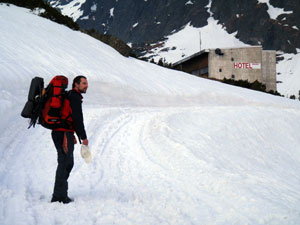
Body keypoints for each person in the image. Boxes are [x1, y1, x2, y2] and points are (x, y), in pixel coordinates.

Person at [51, 75, 88, 204]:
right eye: (83, 83)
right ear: (76, 84)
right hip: (63, 133)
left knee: (66, 162)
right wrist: (83, 137)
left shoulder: (69, 95)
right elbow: (78, 119)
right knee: (65, 163)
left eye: (86, 83)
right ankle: (58, 196)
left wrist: (71, 133)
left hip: (63, 132)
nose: (86, 85)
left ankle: (60, 194)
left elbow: (68, 117)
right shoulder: (74, 97)